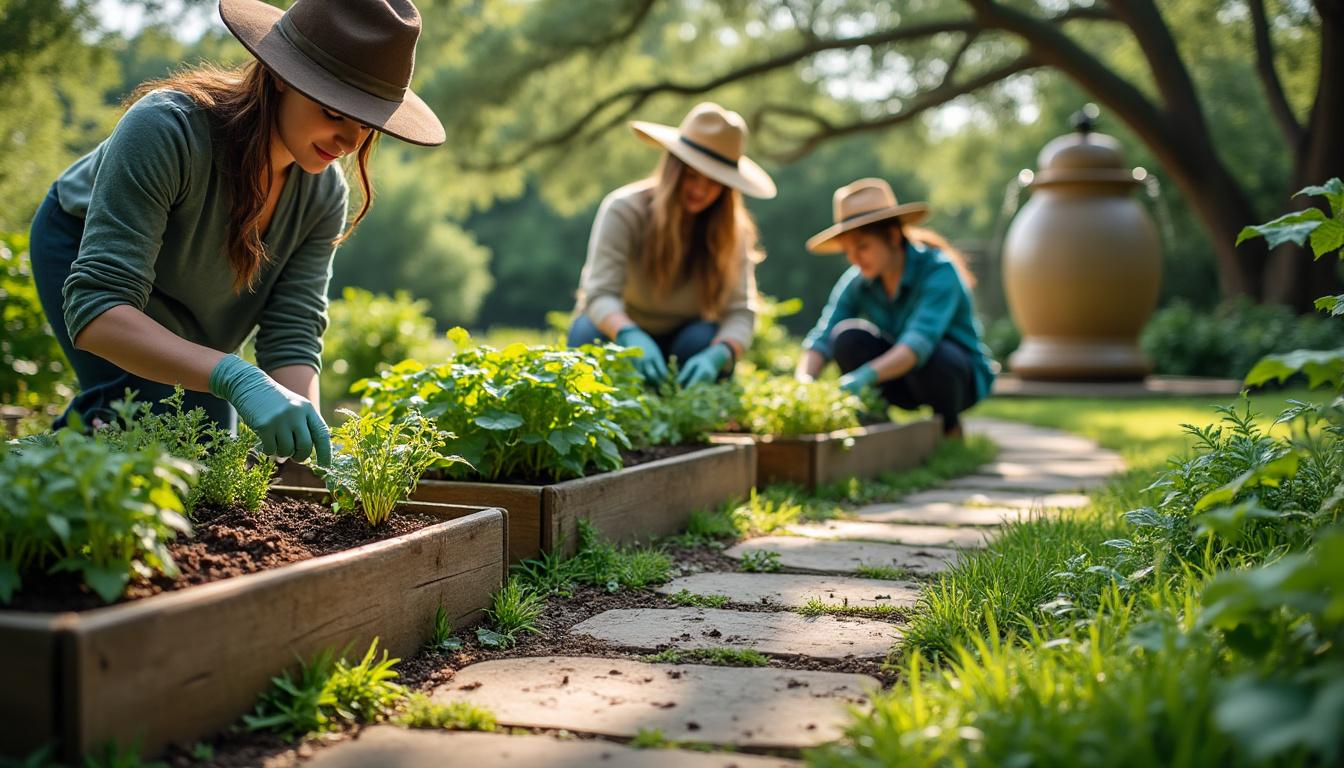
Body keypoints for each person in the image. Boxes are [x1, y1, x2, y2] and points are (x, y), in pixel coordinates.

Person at [29, 0, 445, 465]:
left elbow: (292, 331)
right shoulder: (166, 128)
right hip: (88, 248)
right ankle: (28, 482)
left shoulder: (324, 194)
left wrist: (308, 438)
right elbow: (99, 312)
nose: (351, 142)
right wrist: (237, 377)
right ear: (285, 75)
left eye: (367, 123)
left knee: (212, 449)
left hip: (196, 285)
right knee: (151, 422)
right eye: (335, 112)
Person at [568, 102, 776, 387]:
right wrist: (630, 334)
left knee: (703, 339)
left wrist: (720, 353)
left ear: (727, 187)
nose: (700, 190)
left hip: (686, 342)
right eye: (691, 176)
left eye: (713, 181)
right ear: (673, 169)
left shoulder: (733, 232)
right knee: (586, 336)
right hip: (620, 330)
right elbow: (599, 294)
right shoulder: (624, 210)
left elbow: (741, 311)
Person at [795, 178, 996, 438]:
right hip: (899, 377)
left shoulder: (940, 271)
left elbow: (917, 344)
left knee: (938, 356)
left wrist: (863, 376)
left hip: (951, 377)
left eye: (862, 246)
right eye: (847, 251)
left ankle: (949, 428)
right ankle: (877, 426)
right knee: (848, 337)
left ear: (892, 236)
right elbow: (823, 336)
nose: (854, 258)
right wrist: (803, 383)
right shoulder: (858, 281)